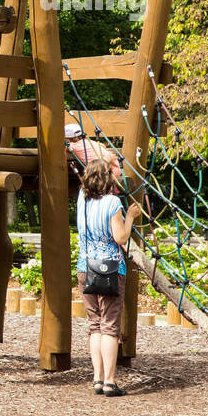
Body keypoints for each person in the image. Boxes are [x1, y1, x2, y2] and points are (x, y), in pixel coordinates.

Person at [77, 158, 142, 397]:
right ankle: (110, 381)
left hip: (85, 267)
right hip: (110, 269)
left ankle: (97, 378)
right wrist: (131, 216)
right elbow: (121, 237)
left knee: (94, 325)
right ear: (107, 179)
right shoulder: (113, 202)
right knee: (110, 327)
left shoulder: (81, 200)